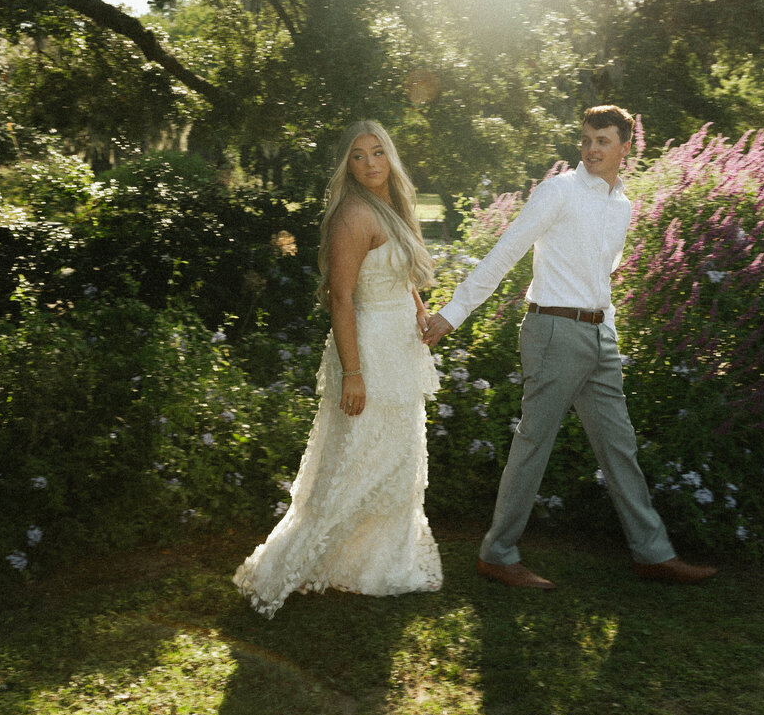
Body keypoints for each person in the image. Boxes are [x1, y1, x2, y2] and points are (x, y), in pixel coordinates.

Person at [423, 105, 717, 589]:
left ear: (626, 147)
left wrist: (609, 330)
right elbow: (505, 252)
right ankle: (496, 554)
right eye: (586, 140)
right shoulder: (558, 192)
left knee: (619, 446)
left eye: (603, 140)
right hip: (554, 331)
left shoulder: (621, 204)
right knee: (534, 443)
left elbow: (602, 275)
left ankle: (652, 553)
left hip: (600, 336)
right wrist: (453, 314)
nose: (592, 149)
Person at [234, 120, 442, 617]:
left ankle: (374, 565)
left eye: (377, 153)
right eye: (358, 155)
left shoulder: (391, 205)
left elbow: (401, 271)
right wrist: (353, 372)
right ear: (345, 164)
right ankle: (294, 565)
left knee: (396, 459)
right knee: (353, 463)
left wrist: (417, 308)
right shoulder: (351, 215)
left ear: (389, 156)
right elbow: (342, 297)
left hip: (399, 344)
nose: (370, 163)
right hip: (366, 345)